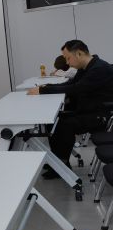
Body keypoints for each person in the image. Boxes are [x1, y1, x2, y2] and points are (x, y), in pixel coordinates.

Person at [27, 40, 113, 179]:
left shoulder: (99, 68)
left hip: (101, 115)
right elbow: (70, 83)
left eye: (68, 58)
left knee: (64, 125)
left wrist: (43, 90)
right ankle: (58, 161)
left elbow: (76, 88)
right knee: (53, 120)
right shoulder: (85, 67)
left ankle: (62, 164)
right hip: (88, 109)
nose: (67, 63)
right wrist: (45, 87)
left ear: (79, 53)